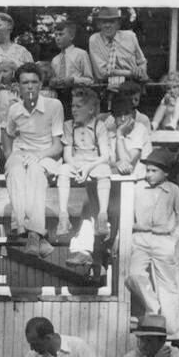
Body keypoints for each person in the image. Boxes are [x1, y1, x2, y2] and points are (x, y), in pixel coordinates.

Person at [124, 150, 179, 353]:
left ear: (165, 173)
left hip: (164, 240)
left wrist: (172, 240)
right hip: (141, 238)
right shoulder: (137, 188)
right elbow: (127, 214)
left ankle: (174, 334)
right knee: (134, 276)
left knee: (169, 288)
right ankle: (154, 308)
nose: (149, 174)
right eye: (147, 170)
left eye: (153, 170)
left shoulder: (173, 190)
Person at [3, 62, 65, 259]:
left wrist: (38, 156)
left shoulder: (54, 106)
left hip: (46, 155)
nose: (30, 87)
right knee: (14, 170)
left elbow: (58, 147)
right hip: (21, 153)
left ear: (41, 85)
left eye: (34, 82)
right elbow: (8, 135)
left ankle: (29, 232)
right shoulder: (14, 109)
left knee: (36, 173)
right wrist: (10, 156)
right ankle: (37, 235)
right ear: (18, 87)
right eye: (25, 83)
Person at [40, 87, 111, 245]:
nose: (74, 110)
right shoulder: (68, 125)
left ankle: (102, 217)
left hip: (94, 163)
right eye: (72, 106)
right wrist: (77, 166)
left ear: (91, 109)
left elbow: (105, 156)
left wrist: (88, 168)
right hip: (76, 161)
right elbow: (67, 155)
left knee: (105, 172)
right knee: (63, 171)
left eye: (79, 106)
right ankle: (63, 217)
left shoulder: (99, 125)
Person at [88, 7, 148, 92]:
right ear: (99, 25)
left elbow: (142, 62)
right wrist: (131, 73)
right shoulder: (94, 40)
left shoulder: (130, 37)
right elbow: (101, 73)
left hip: (133, 84)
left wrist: (140, 71)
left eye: (112, 22)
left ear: (118, 24)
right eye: (104, 22)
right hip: (106, 85)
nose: (107, 25)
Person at [48, 18, 94, 114]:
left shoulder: (81, 54)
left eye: (61, 34)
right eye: (56, 35)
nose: (57, 38)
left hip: (77, 97)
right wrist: (52, 82)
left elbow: (90, 80)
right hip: (59, 98)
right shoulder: (55, 60)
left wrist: (74, 80)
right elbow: (52, 81)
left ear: (71, 36)